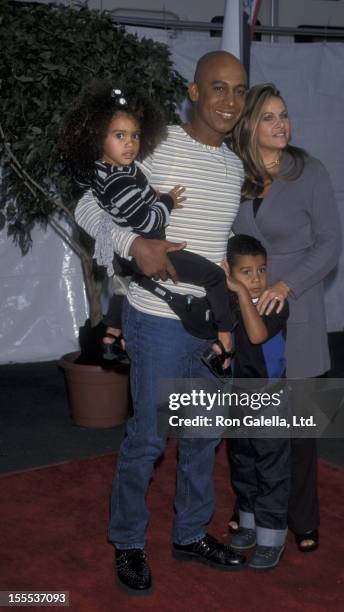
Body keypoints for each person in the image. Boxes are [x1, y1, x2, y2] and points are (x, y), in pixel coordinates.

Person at [74, 51, 248, 595]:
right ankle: (128, 543)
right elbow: (86, 206)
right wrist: (135, 246)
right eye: (218, 88)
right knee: (147, 440)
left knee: (203, 438)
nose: (230, 101)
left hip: (208, 326)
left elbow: (210, 241)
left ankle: (190, 533)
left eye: (240, 91)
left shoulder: (234, 166)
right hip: (157, 320)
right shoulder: (156, 144)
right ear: (193, 92)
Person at [231, 83, 341, 552]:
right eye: (271, 117)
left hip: (297, 312)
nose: (282, 125)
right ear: (252, 125)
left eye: (285, 115)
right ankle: (251, 510)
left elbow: (330, 244)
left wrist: (285, 284)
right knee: (251, 428)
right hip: (249, 319)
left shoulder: (308, 171)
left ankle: (303, 519)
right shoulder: (234, 173)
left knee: (297, 433)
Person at [59, 82, 234, 375]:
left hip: (130, 262)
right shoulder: (124, 176)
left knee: (125, 286)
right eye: (119, 136)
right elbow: (146, 221)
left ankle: (112, 337)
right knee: (214, 277)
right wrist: (165, 202)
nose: (130, 143)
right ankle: (226, 338)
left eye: (135, 136)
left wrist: (150, 193)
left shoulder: (109, 171)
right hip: (150, 252)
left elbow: (132, 192)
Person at [222, 234, 290, 571]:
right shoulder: (228, 301)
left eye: (261, 270)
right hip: (237, 397)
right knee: (243, 463)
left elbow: (256, 335)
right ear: (229, 272)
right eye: (246, 272)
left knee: (271, 469)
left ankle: (271, 537)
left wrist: (240, 293)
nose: (257, 279)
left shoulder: (275, 302)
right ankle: (248, 525)